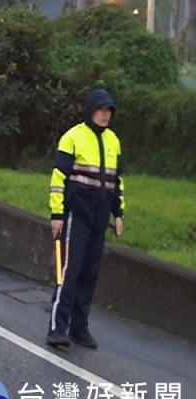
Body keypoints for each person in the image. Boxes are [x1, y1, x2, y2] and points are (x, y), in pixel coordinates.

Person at [46, 88, 125, 350]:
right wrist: (57, 214)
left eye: (109, 111)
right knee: (69, 272)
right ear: (91, 110)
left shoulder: (113, 141)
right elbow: (58, 179)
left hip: (100, 219)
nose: (105, 115)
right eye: (101, 110)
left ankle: (79, 328)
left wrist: (119, 213)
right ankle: (57, 328)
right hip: (76, 216)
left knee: (90, 275)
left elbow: (117, 181)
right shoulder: (72, 137)